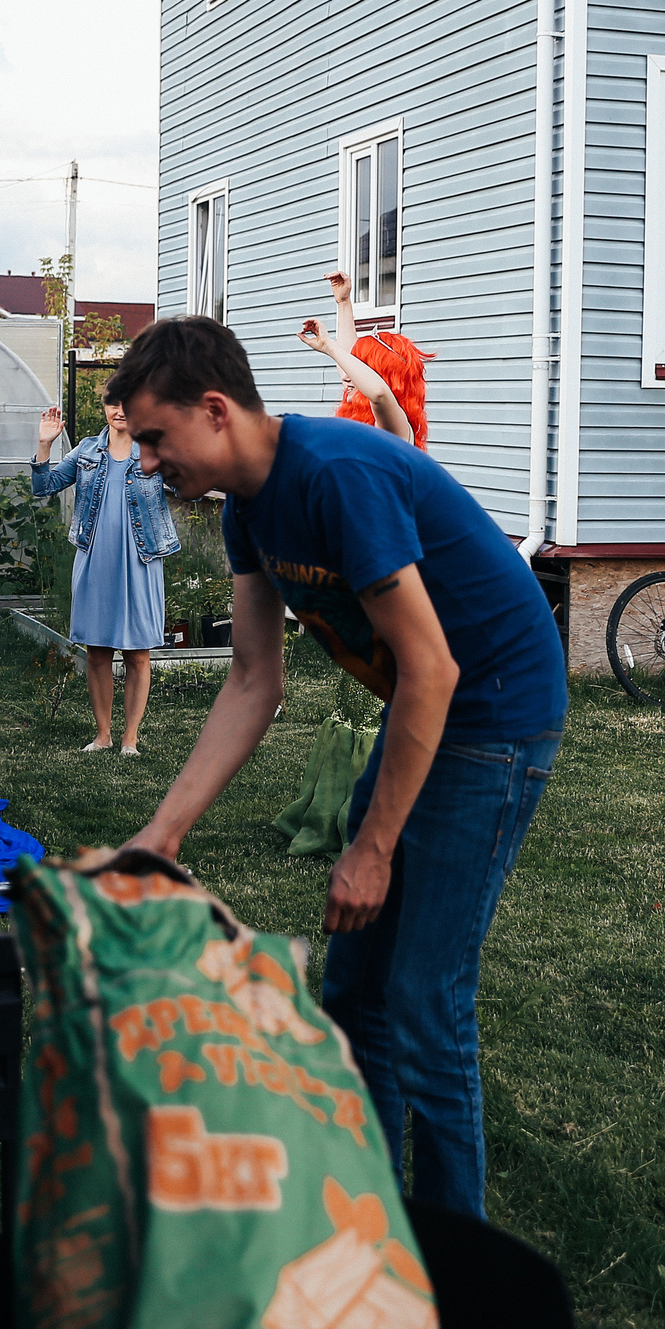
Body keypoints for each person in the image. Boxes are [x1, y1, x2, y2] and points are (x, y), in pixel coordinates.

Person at [112, 316, 567, 1221]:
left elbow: (435, 669)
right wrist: (163, 834)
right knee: (354, 986)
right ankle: (370, 1219)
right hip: (425, 707)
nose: (149, 463)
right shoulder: (249, 507)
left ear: (214, 409)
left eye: (155, 438)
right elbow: (252, 679)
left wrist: (374, 845)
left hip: (494, 712)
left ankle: (451, 1260)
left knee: (424, 1000)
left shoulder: (335, 473)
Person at [31, 388, 181, 755]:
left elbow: (187, 487)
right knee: (97, 651)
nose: (121, 410)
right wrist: (44, 445)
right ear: (105, 407)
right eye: (114, 403)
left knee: (137, 653)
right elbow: (42, 487)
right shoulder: (86, 451)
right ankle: (103, 735)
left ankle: (130, 737)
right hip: (95, 559)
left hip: (141, 560)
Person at [316, 270, 433, 447]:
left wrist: (328, 346)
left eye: (361, 369)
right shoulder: (363, 412)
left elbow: (378, 393)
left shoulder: (396, 427)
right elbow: (348, 363)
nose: (348, 376)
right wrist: (343, 302)